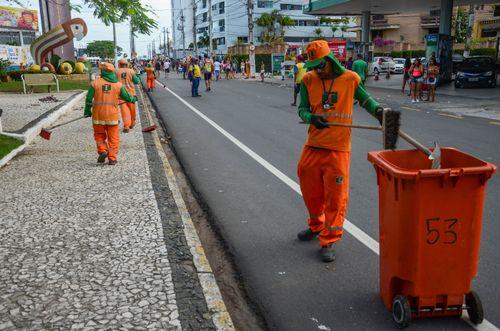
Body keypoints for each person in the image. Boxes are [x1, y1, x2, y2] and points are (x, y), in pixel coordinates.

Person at [296, 40, 384, 262]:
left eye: (319, 65)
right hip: (314, 144)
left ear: (330, 60)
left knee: (336, 197)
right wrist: (311, 118)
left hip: (338, 148)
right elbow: (302, 109)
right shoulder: (308, 80)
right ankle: (316, 225)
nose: (316, 70)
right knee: (308, 186)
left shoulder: (350, 79)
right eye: (313, 66)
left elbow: (365, 100)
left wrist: (379, 111)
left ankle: (329, 239)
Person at [84, 62, 138, 165]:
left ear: (102, 71)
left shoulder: (95, 83)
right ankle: (112, 158)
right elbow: (127, 97)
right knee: (113, 138)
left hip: (98, 116)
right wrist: (133, 98)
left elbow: (89, 99)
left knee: (99, 135)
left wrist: (87, 111)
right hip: (112, 117)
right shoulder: (118, 85)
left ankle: (103, 150)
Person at [116, 59, 140, 132]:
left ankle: (126, 126)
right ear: (127, 64)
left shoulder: (116, 71)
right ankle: (132, 123)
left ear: (119, 64)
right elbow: (137, 81)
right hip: (131, 95)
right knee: (132, 110)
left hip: (121, 95)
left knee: (124, 111)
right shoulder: (131, 71)